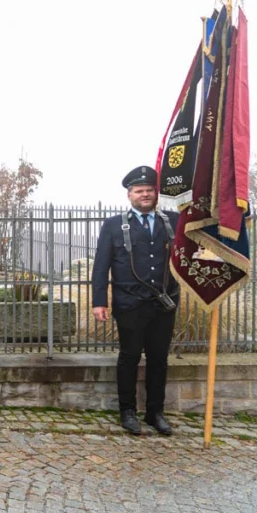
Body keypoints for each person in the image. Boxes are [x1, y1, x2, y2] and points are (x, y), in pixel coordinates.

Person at [92, 166, 180, 436]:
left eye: (149, 190)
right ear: (129, 195)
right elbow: (101, 265)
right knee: (129, 357)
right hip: (129, 303)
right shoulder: (113, 225)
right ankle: (128, 412)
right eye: (139, 191)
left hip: (164, 303)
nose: (145, 194)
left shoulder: (175, 221)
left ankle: (155, 413)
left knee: (158, 359)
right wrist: (99, 301)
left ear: (156, 193)